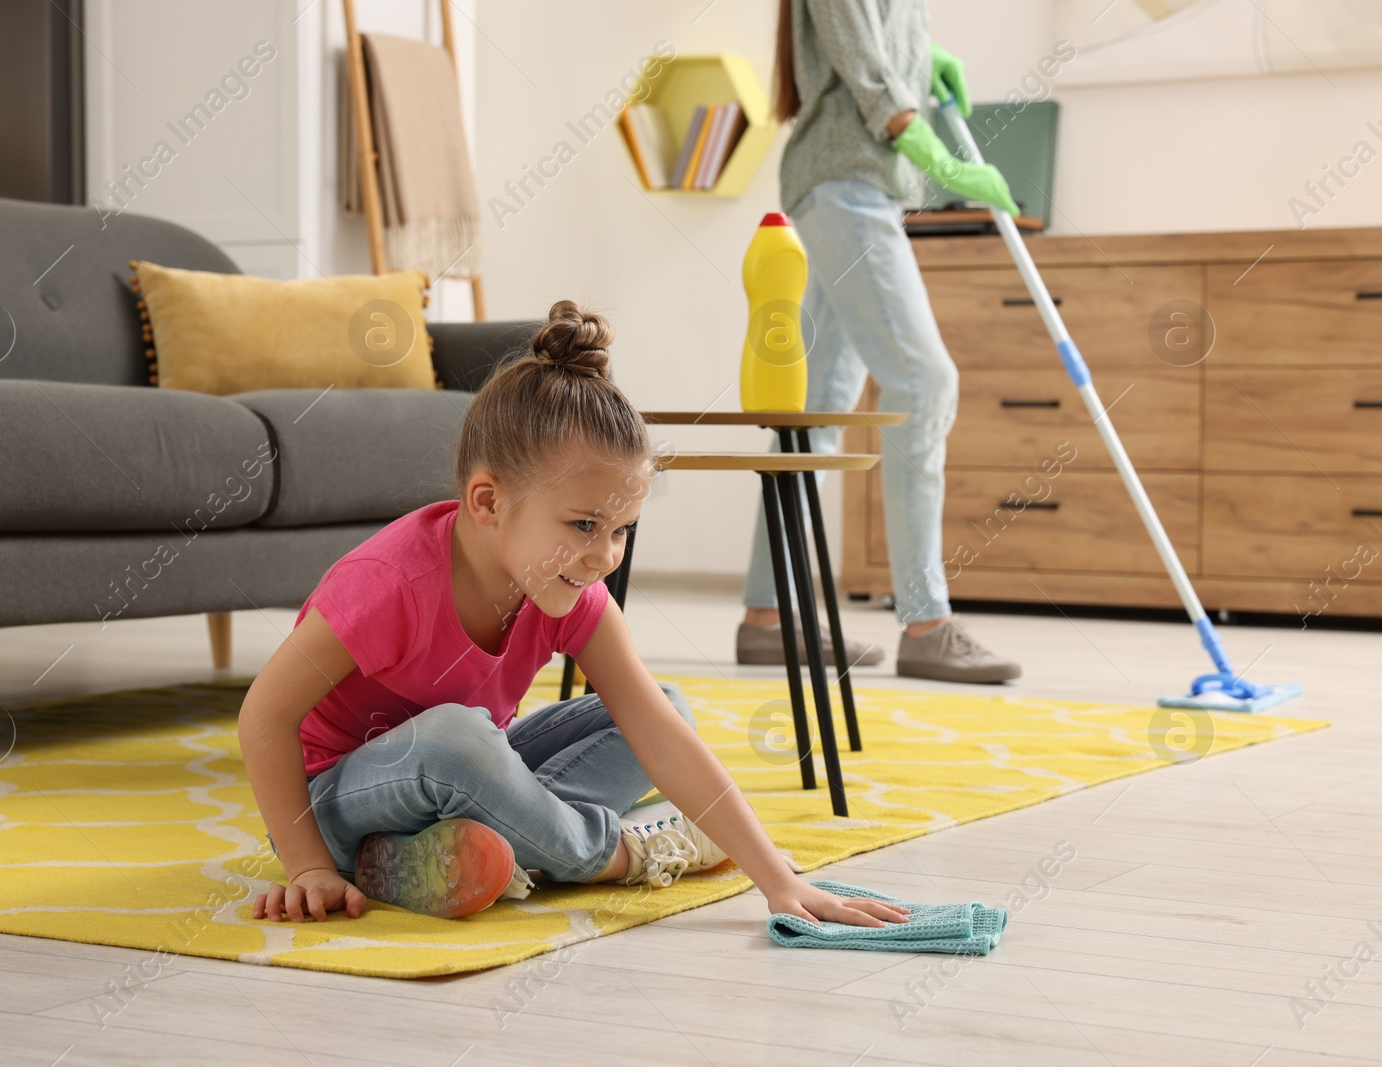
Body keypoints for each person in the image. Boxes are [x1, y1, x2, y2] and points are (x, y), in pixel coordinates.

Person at [239, 300, 913, 930]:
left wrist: (778, 879)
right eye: (585, 523)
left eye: (621, 529)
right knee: (455, 738)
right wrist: (305, 865)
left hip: (466, 775)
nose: (604, 556)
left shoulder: (569, 585)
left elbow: (657, 733)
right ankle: (618, 854)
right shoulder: (387, 583)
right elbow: (263, 717)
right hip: (331, 803)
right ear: (486, 501)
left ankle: (463, 852)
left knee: (667, 709)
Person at [735, 0, 1023, 684]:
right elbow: (860, 60)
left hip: (859, 188)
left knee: (817, 414)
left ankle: (766, 619)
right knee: (925, 383)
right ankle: (927, 624)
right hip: (846, 185)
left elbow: (876, 40)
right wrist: (926, 143)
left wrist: (926, 57)